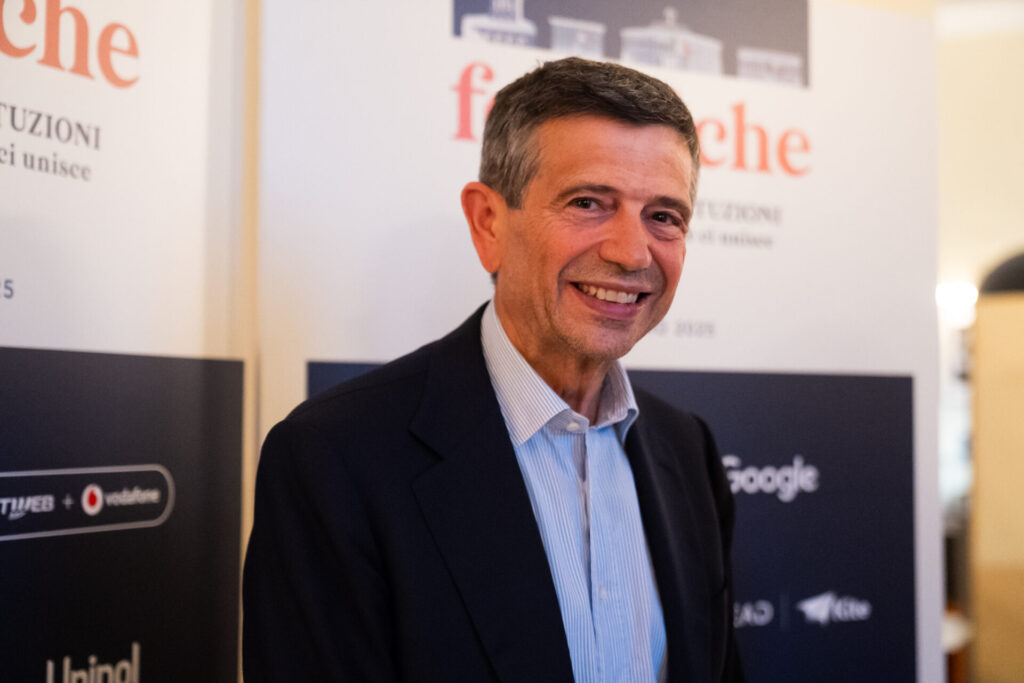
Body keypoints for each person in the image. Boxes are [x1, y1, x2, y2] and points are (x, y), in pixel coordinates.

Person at [243, 57, 743, 682]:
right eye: (588, 202)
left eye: (664, 216)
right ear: (488, 224)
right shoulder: (334, 459)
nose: (631, 251)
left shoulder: (688, 451)